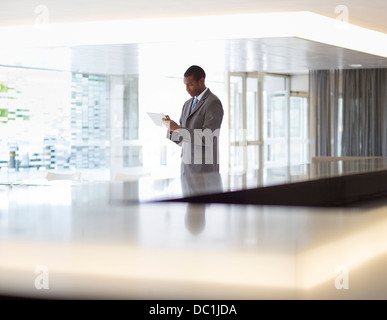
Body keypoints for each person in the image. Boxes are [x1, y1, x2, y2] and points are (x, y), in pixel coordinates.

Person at [162, 65, 224, 176]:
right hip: (186, 169)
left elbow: (209, 138)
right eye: (185, 85)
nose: (187, 89)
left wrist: (178, 128)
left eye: (190, 84)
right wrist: (171, 129)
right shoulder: (187, 104)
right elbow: (183, 141)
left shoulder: (213, 103)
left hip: (204, 171)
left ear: (202, 81)